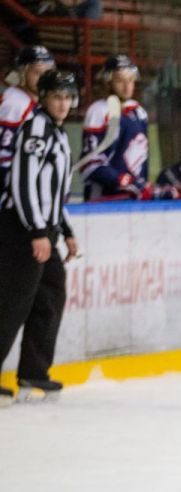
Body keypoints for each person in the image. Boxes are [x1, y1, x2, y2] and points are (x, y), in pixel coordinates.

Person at [0, 70, 79, 406]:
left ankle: (34, 371)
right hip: (21, 229)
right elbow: (23, 182)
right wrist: (36, 231)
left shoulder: (56, 133)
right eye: (57, 97)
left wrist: (65, 230)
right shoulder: (35, 128)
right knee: (12, 303)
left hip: (43, 230)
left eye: (68, 97)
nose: (63, 103)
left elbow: (53, 191)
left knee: (50, 297)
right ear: (44, 98)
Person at [79, 54, 152, 201]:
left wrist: (142, 186)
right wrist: (122, 180)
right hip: (104, 201)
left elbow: (142, 160)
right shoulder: (99, 111)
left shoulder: (139, 112)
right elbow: (89, 164)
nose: (127, 86)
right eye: (120, 80)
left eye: (130, 80)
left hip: (134, 200)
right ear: (108, 82)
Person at [1, 46, 56, 202]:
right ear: (22, 73)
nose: (44, 78)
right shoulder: (15, 103)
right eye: (37, 72)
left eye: (48, 72)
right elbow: (4, 158)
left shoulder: (33, 103)